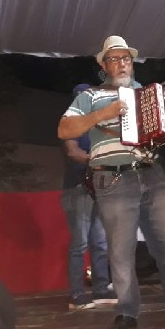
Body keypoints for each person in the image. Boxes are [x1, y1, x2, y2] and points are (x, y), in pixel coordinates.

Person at [58, 35, 165, 329]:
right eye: (115, 58)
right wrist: (102, 114)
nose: (122, 63)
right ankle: (127, 312)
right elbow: (64, 129)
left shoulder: (149, 95)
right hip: (113, 177)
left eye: (126, 58)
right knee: (121, 250)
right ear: (103, 64)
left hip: (152, 173)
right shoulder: (91, 96)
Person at [60, 129, 117, 310]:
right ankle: (77, 294)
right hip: (78, 188)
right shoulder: (72, 123)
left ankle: (101, 290)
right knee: (80, 243)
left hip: (99, 188)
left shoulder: (102, 127)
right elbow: (72, 151)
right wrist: (97, 160)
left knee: (100, 242)